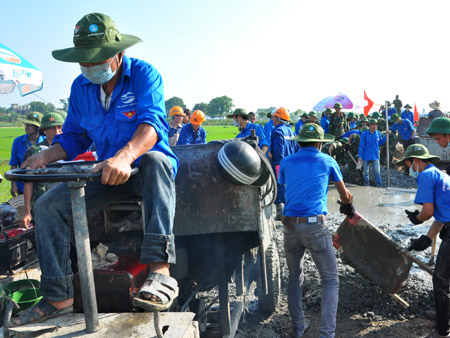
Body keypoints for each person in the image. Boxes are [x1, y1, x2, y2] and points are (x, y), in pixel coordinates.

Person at [14, 13, 179, 326]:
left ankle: (160, 270)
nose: (89, 68)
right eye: (84, 62)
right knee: (49, 205)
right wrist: (45, 156)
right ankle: (58, 296)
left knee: (157, 161)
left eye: (95, 61)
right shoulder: (81, 88)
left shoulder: (144, 75)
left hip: (144, 168)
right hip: (106, 173)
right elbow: (74, 137)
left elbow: (153, 124)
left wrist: (125, 156)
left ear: (117, 55)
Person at [279, 123, 354, 338]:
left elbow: (284, 192)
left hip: (290, 226)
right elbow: (345, 195)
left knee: (294, 278)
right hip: (316, 227)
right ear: (320, 144)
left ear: (300, 143)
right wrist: (347, 202)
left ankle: (298, 327)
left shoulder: (286, 161)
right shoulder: (327, 160)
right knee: (330, 280)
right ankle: (326, 334)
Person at [396, 144, 450, 338]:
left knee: (441, 279)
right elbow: (443, 216)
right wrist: (427, 239)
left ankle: (443, 330)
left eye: (409, 164)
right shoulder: (439, 174)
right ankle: (444, 314)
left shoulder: (425, 176)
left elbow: (427, 212)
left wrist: (416, 219)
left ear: (416, 162)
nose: (410, 169)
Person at [20, 113, 65, 229]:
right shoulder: (35, 151)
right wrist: (27, 212)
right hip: (40, 201)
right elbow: (28, 181)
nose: (57, 131)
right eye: (52, 128)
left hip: (64, 202)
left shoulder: (68, 150)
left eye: (59, 127)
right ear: (44, 130)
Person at [9, 112, 45, 197]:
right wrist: (13, 185)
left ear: (37, 128)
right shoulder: (17, 142)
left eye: (30, 124)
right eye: (26, 123)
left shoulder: (46, 141)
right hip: (22, 186)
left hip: (42, 187)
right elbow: (14, 165)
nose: (27, 126)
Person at [271, 107, 298, 220]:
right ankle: (290, 212)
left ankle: (286, 214)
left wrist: (278, 166)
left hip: (280, 164)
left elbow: (278, 151)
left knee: (279, 188)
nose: (272, 119)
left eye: (273, 117)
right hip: (292, 164)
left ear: (278, 117)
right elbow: (296, 149)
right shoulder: (291, 132)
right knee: (290, 188)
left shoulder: (277, 131)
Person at [358, 118, 386, 187]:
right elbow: (361, 146)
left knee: (377, 172)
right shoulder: (364, 134)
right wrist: (360, 156)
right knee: (365, 172)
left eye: (376, 125)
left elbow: (380, 143)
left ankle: (379, 186)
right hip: (366, 156)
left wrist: (386, 136)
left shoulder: (378, 133)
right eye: (373, 124)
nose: (375, 126)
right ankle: (366, 185)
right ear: (370, 125)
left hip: (375, 156)